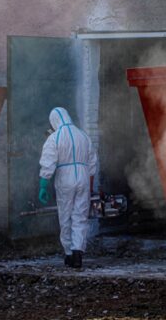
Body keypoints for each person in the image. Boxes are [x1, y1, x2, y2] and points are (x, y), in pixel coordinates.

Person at [38, 107, 98, 268]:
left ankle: (69, 253)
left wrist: (43, 184)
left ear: (54, 121)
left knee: (65, 215)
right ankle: (78, 251)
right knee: (80, 215)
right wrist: (90, 183)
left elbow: (48, 162)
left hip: (65, 178)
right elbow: (92, 162)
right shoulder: (83, 135)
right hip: (83, 177)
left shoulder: (54, 138)